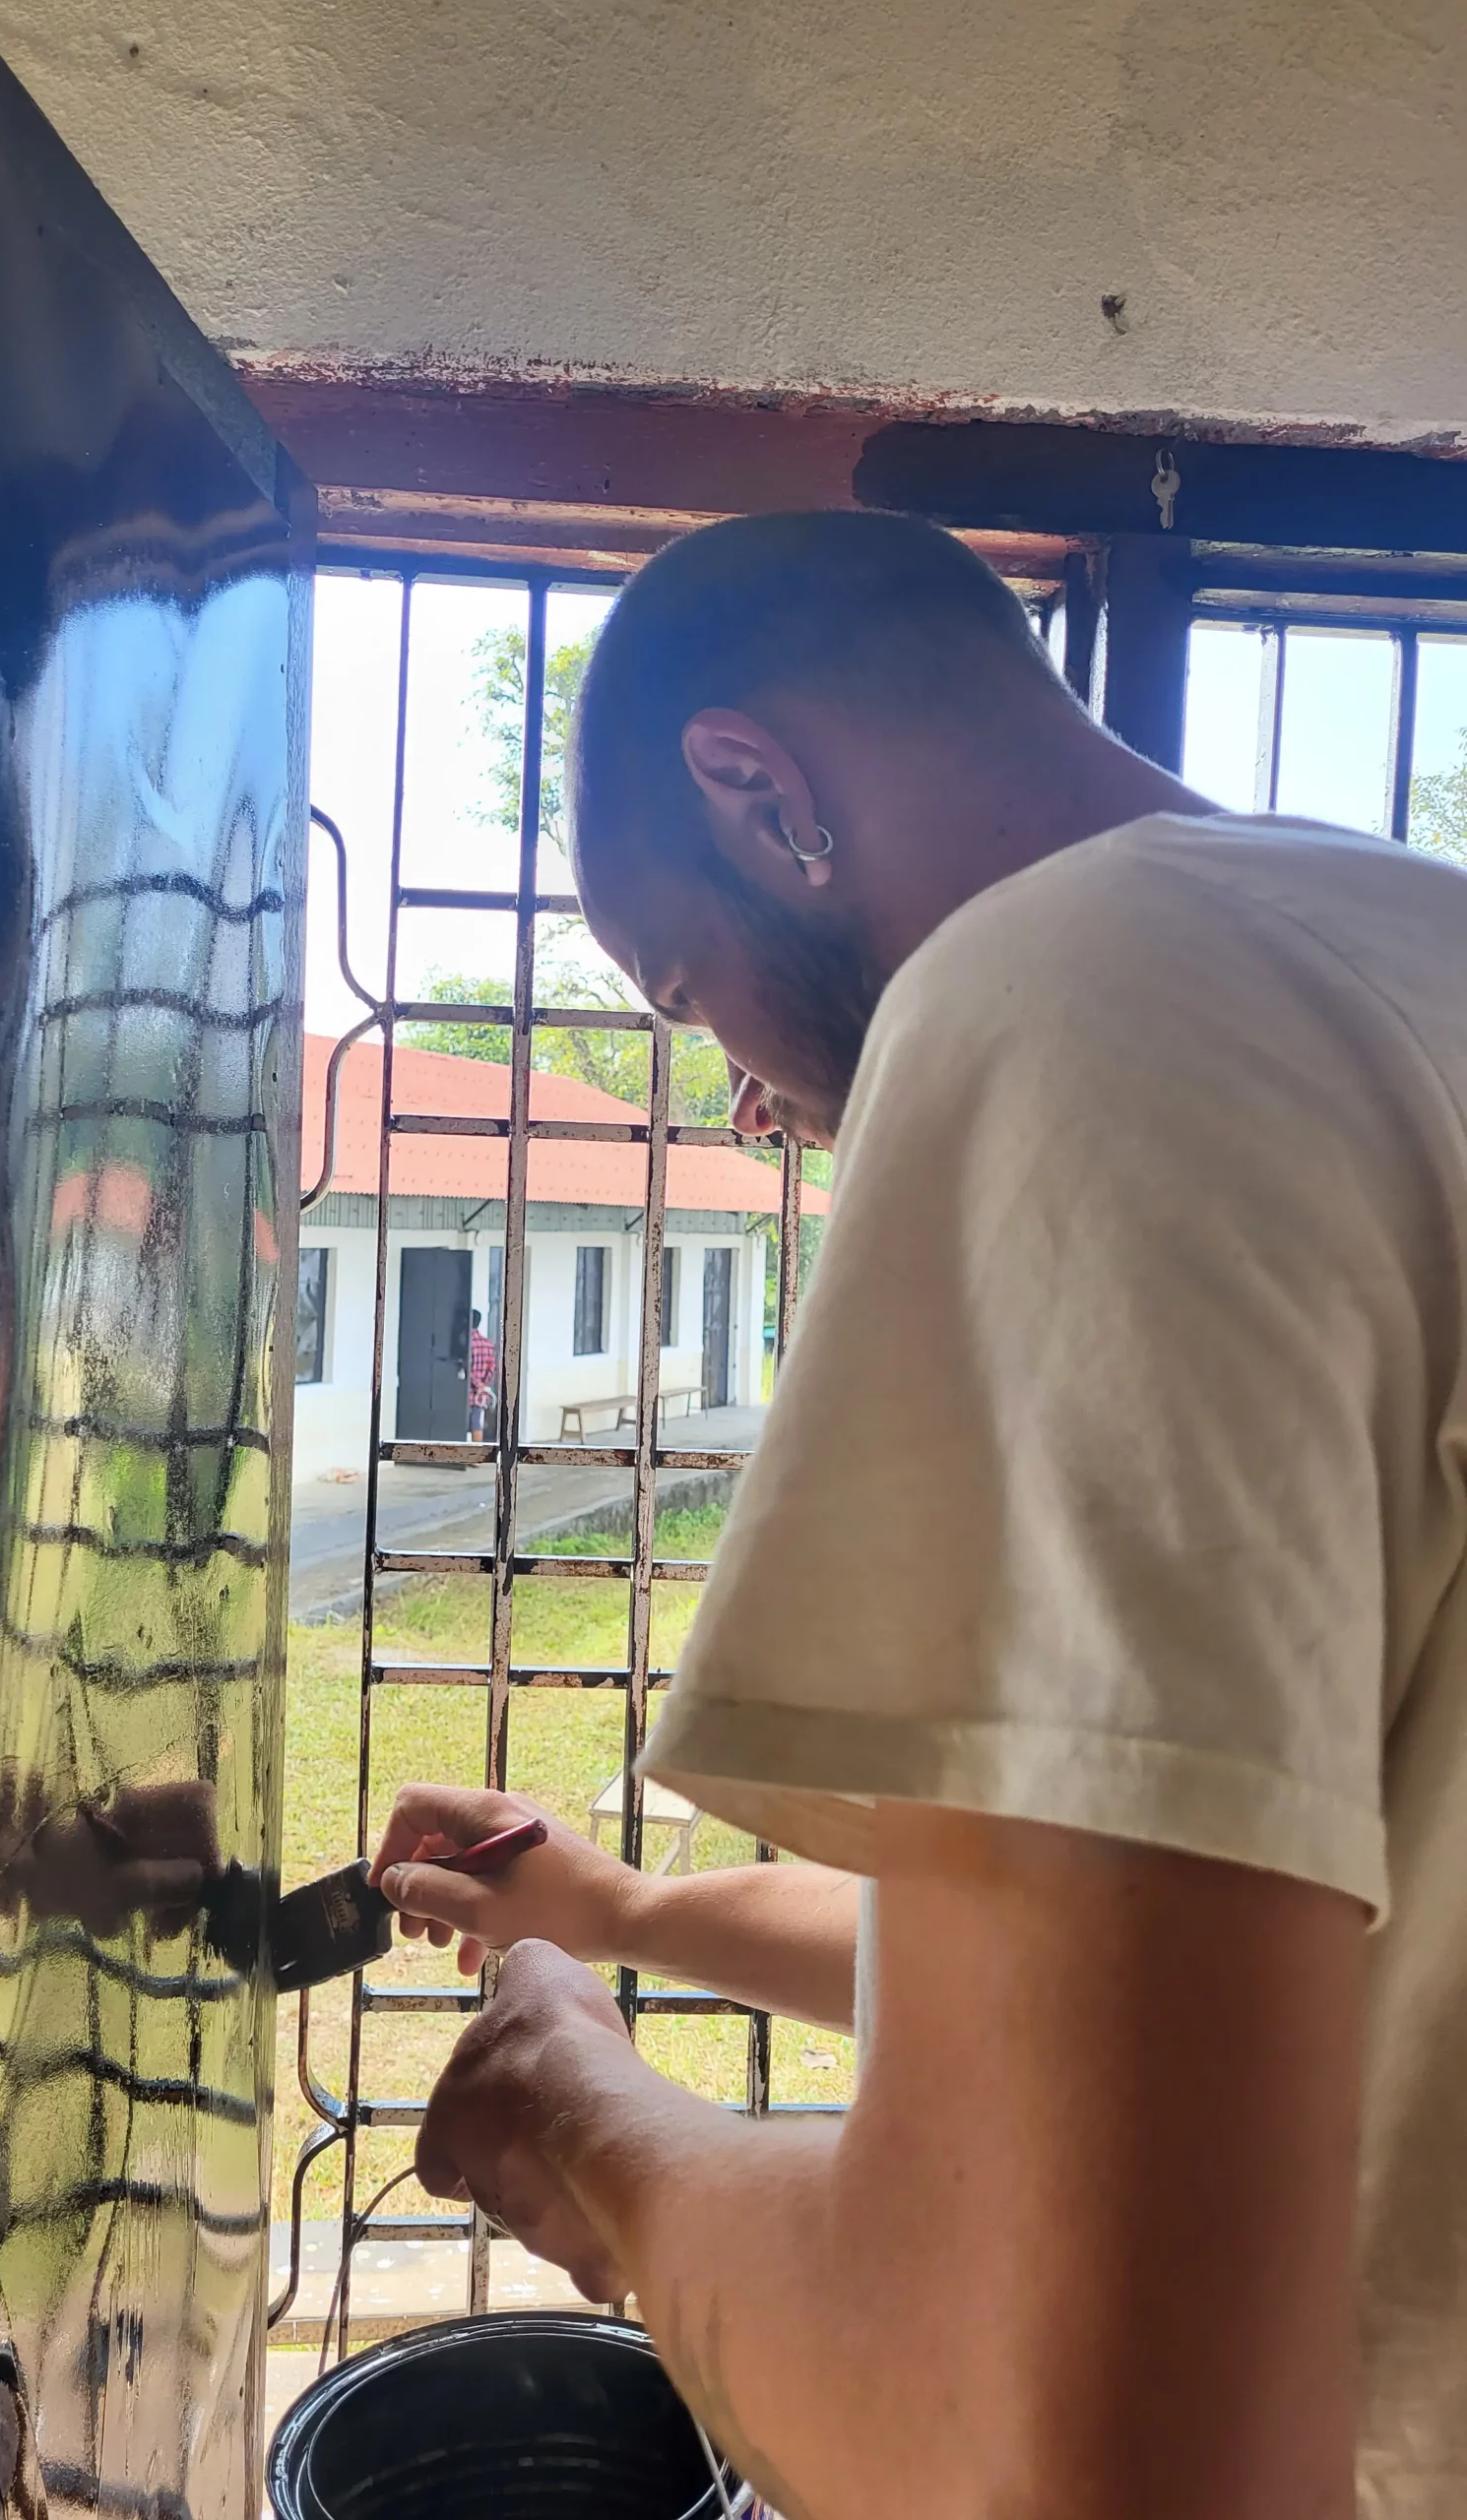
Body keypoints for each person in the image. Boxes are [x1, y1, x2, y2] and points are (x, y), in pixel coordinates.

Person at [370, 509, 1467, 2520]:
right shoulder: (1403, 962)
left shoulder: (1072, 1000)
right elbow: (1187, 1971)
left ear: (760, 789)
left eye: (685, 985)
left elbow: (1029, 2426)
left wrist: (584, 2124)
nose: (733, 1097)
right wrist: (615, 1920)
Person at [467, 1305, 496, 1440]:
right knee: (477, 1422)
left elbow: (468, 1368)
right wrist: (483, 1385)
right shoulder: (488, 1344)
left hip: (467, 1391)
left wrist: (476, 1384)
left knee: (465, 1422)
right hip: (480, 1394)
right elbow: (491, 1368)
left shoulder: (468, 1343)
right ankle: (476, 1456)